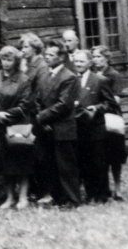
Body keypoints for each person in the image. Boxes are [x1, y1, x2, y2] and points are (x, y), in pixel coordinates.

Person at [0, 45, 34, 210]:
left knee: (21, 162)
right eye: (3, 59)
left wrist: (7, 114)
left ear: (16, 61)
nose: (5, 63)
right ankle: (9, 197)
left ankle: (23, 197)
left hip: (17, 125)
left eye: (9, 59)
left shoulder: (23, 79)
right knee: (4, 163)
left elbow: (26, 104)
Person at [34, 40, 80, 208]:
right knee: (51, 164)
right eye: (46, 54)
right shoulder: (44, 74)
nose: (47, 58)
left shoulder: (69, 77)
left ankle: (72, 199)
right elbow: (38, 99)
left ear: (61, 57)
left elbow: (64, 105)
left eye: (51, 55)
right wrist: (42, 119)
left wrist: (41, 117)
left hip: (63, 128)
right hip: (47, 128)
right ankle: (59, 197)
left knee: (66, 166)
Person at [72, 50, 119, 204]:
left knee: (98, 163)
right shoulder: (71, 80)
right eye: (76, 61)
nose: (78, 64)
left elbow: (110, 103)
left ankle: (101, 195)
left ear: (90, 62)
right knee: (83, 162)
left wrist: (96, 108)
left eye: (81, 61)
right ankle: (89, 193)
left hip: (96, 128)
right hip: (78, 127)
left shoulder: (100, 80)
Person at [91, 45, 126, 200]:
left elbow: (116, 98)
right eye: (94, 57)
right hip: (96, 119)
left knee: (115, 155)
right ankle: (103, 187)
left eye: (99, 56)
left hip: (112, 117)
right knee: (100, 154)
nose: (96, 60)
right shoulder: (91, 75)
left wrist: (102, 101)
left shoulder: (113, 75)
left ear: (106, 58)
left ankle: (118, 187)